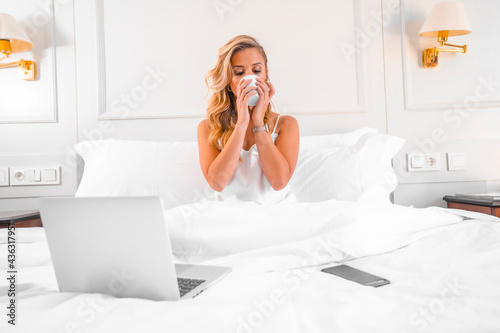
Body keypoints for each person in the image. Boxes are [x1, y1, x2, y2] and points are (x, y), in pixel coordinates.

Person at [197, 35, 300, 204]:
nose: (249, 79)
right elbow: (217, 183)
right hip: (229, 214)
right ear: (229, 82)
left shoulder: (286, 124)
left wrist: (258, 123)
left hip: (276, 212)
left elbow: (279, 182)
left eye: (256, 70)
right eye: (239, 73)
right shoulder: (208, 127)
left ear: (265, 75)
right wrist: (242, 124)